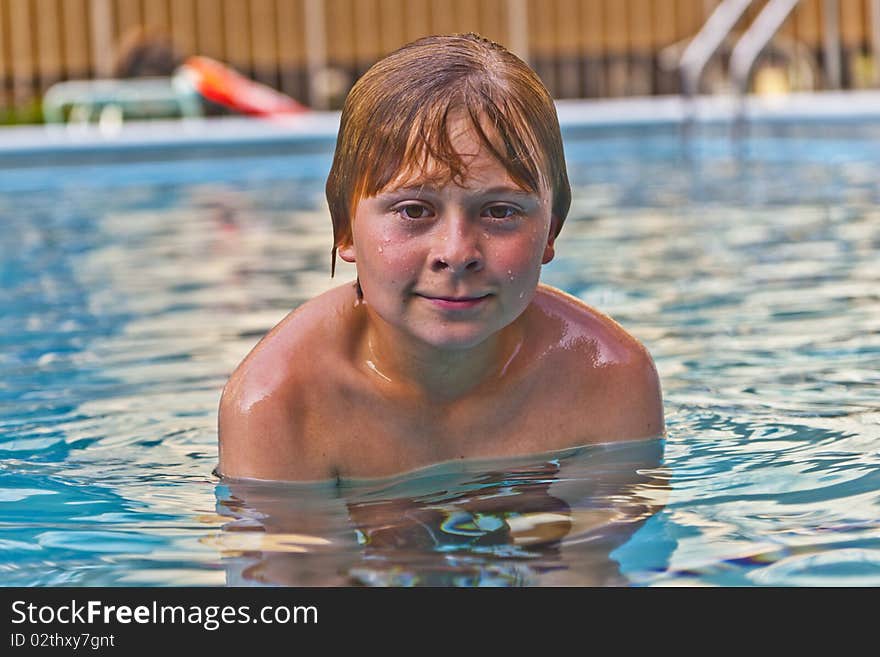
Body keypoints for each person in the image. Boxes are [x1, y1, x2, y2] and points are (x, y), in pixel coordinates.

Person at [217, 33, 664, 483]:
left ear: (551, 230)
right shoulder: (281, 404)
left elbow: (609, 551)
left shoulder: (607, 377)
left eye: (500, 211)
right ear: (345, 231)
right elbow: (291, 554)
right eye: (414, 211)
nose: (456, 253)